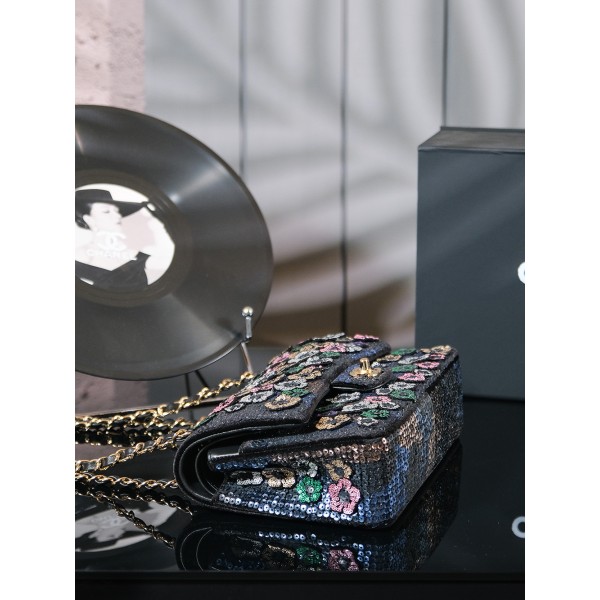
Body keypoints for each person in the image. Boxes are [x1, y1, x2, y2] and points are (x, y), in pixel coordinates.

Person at [75, 188, 174, 291]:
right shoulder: (76, 258)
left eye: (116, 210)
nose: (117, 215)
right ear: (89, 219)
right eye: (106, 211)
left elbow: (175, 268)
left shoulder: (141, 257)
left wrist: (166, 220)